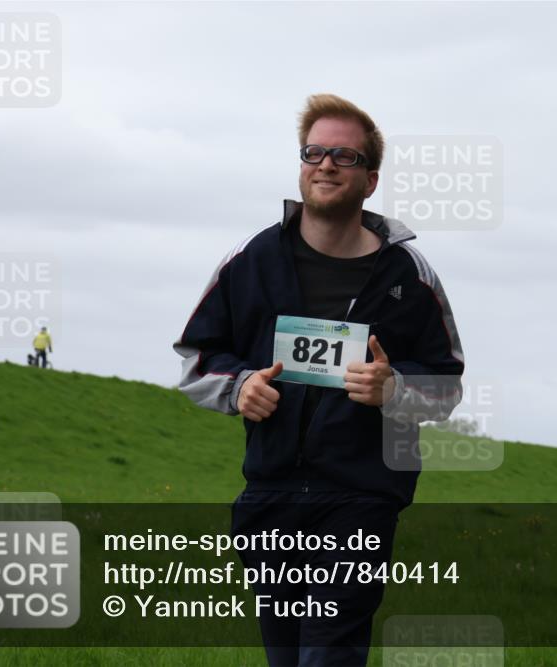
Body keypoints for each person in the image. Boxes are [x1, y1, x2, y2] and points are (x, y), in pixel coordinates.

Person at [174, 94, 464, 666]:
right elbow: (197, 357)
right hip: (270, 497)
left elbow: (447, 385)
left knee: (327, 654)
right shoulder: (252, 258)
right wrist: (240, 388)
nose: (326, 164)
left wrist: (395, 391)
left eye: (344, 156)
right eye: (314, 152)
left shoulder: (410, 274)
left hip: (361, 498)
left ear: (370, 179)